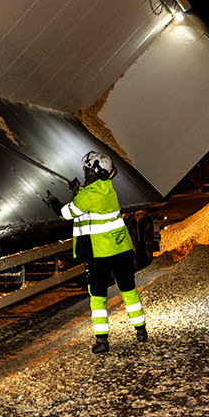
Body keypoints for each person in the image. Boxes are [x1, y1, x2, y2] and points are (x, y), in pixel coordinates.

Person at [45, 151, 148, 354]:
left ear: (94, 171)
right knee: (128, 291)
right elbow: (90, 207)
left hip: (100, 255)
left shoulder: (87, 195)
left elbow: (67, 213)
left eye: (87, 169)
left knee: (98, 297)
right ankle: (141, 330)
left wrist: (53, 202)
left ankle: (102, 341)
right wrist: (78, 192)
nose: (84, 172)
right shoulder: (109, 190)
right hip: (123, 249)